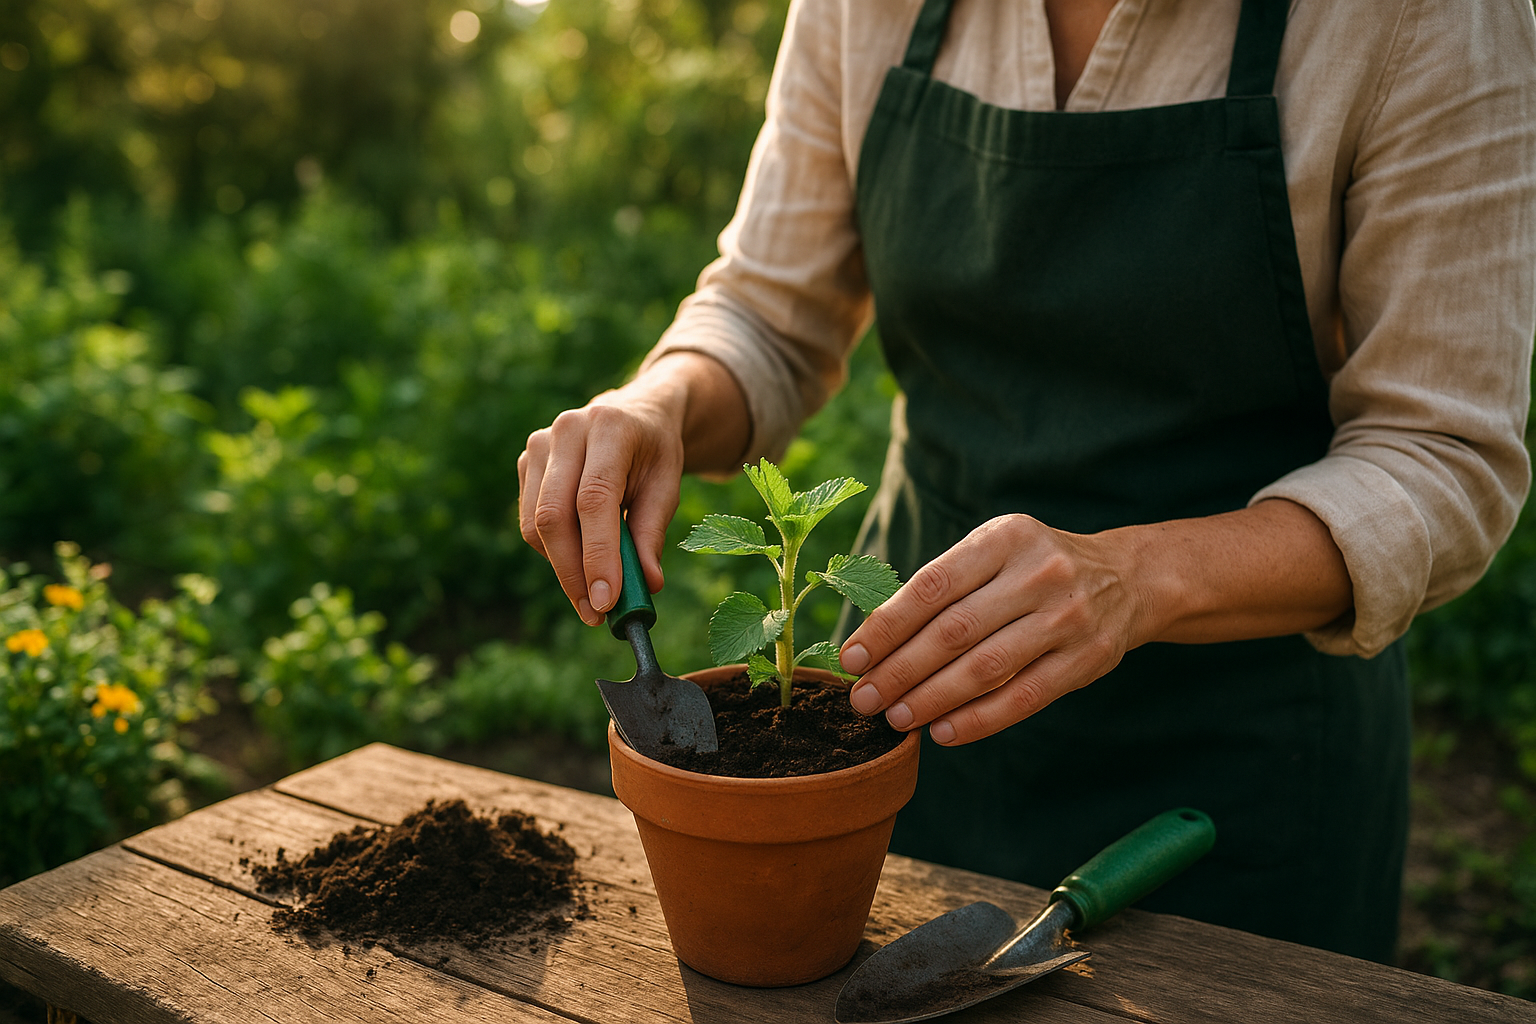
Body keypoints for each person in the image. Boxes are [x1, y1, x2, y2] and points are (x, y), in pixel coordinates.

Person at [518, 0, 1536, 962]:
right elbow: (769, 313)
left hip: (1244, 759)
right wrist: (660, 403)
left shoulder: (1425, 20)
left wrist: (1136, 576)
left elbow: (1442, 453)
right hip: (916, 699)